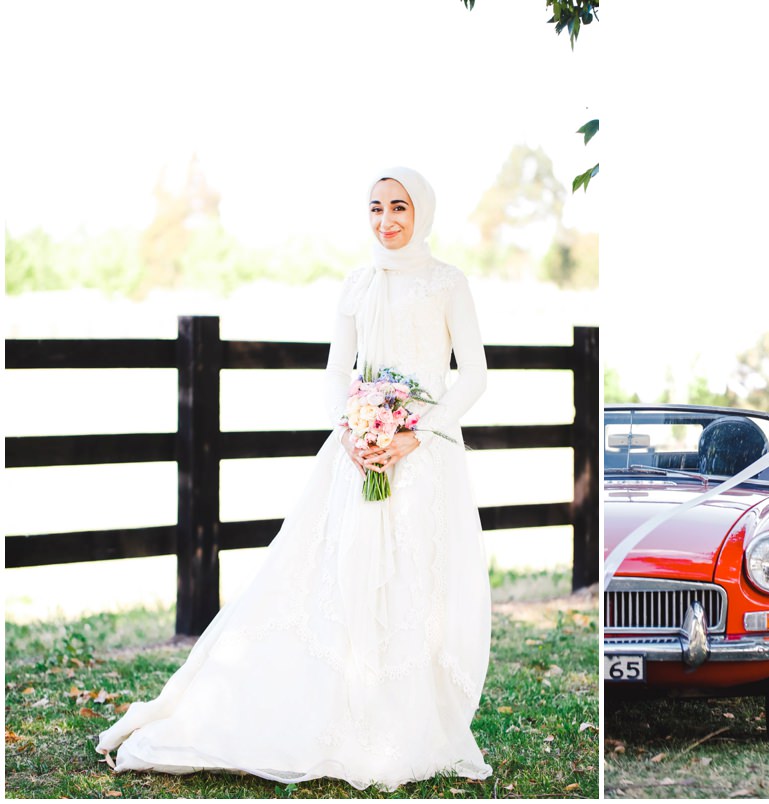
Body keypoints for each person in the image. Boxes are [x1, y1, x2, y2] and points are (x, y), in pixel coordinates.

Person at [97, 168, 494, 791]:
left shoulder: (448, 283)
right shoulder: (356, 283)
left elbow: (473, 373)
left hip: (425, 458)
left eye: (399, 207)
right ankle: (333, 711)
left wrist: (417, 432)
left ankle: (405, 723)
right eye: (375, 208)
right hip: (359, 455)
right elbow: (337, 370)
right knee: (346, 577)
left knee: (416, 585)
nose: (386, 220)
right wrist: (354, 428)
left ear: (423, 212)